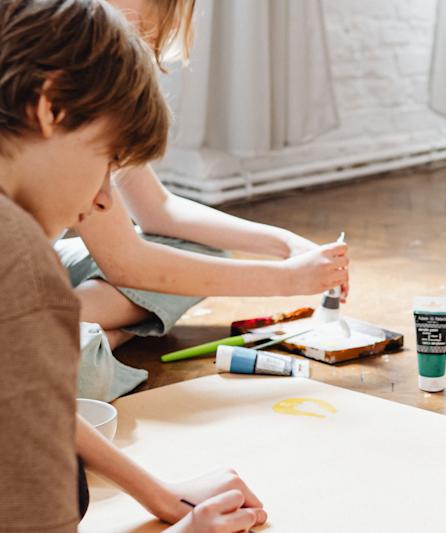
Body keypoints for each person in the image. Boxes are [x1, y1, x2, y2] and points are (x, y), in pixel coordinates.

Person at [0, 1, 266, 530]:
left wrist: (162, 497)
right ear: (51, 107)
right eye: (106, 164)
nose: (102, 202)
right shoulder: (22, 264)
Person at [58, 0, 350, 351]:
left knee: (204, 252)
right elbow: (124, 262)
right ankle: (90, 334)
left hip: (36, 264)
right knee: (64, 364)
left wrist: (286, 243)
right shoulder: (70, 64)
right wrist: (288, 279)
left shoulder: (101, 69)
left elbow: (158, 210)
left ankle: (71, 329)